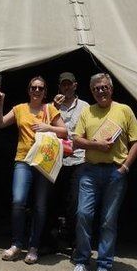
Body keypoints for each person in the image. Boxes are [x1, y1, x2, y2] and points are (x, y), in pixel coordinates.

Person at [68, 73, 137, 271]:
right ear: (91, 91)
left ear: (111, 88)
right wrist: (96, 145)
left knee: (108, 220)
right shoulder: (87, 112)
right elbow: (76, 140)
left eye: (104, 87)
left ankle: (103, 266)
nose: (101, 91)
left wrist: (125, 167)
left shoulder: (124, 110)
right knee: (83, 214)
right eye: (96, 88)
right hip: (90, 171)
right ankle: (82, 261)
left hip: (114, 172)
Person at [0, 76, 68, 264]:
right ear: (29, 90)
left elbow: (65, 132)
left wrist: (46, 126)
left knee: (40, 205)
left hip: (43, 161)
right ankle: (17, 243)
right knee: (18, 201)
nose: (37, 90)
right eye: (34, 87)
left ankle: (34, 246)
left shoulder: (49, 109)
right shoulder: (20, 109)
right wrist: (0, 102)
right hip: (23, 159)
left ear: (45, 92)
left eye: (40, 88)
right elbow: (0, 123)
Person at [49, 71, 89, 251]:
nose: (66, 87)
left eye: (69, 84)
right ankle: (50, 242)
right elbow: (44, 128)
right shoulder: (52, 106)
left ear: (75, 85)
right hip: (55, 159)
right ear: (59, 87)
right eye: (63, 84)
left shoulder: (85, 107)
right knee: (52, 201)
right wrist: (53, 108)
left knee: (74, 203)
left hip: (78, 159)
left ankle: (75, 245)